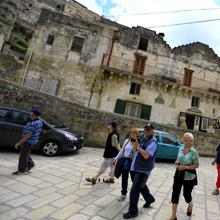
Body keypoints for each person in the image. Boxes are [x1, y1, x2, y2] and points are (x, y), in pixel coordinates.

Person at [123, 123, 158, 219]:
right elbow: (137, 151)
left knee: (134, 190)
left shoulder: (153, 142)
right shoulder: (144, 139)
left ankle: (133, 211)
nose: (146, 131)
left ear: (152, 131)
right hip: (137, 167)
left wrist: (138, 146)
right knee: (141, 186)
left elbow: (146, 155)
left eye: (149, 130)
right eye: (145, 129)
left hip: (143, 169)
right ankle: (149, 199)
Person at [168, 132, 199, 220]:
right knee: (175, 193)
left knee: (186, 195)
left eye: (187, 138)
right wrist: (177, 161)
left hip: (189, 176)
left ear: (191, 141)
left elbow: (196, 165)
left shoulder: (194, 152)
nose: (184, 140)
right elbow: (178, 158)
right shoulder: (180, 149)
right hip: (178, 174)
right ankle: (173, 216)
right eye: (184, 138)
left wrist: (184, 167)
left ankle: (190, 204)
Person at [12, 108, 43, 175]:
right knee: (25, 153)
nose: (30, 115)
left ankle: (22, 171)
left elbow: (28, 135)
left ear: (33, 114)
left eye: (31, 114)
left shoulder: (32, 123)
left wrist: (19, 143)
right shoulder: (39, 122)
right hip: (34, 141)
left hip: (28, 141)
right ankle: (30, 164)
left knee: (23, 156)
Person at [113, 128, 139, 201]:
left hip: (132, 163)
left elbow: (137, 155)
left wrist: (135, 145)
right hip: (125, 161)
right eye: (132, 133)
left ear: (137, 135)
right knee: (124, 178)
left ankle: (135, 195)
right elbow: (122, 151)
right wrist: (116, 158)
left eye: (135, 133)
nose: (133, 134)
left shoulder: (138, 143)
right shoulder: (127, 141)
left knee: (134, 180)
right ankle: (123, 194)